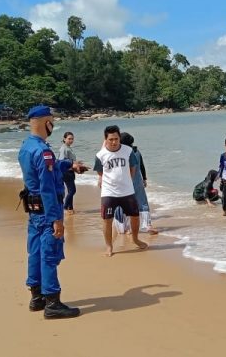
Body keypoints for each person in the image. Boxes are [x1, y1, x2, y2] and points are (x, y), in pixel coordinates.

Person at [18, 105, 85, 319]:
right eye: (52, 122)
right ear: (46, 122)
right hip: (48, 210)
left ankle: (36, 297)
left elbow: (51, 167)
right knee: (49, 254)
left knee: (35, 252)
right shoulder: (43, 151)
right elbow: (47, 188)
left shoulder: (27, 146)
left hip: (34, 210)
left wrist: (69, 165)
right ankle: (53, 303)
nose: (53, 125)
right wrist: (56, 219)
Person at [94, 125, 148, 256]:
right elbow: (100, 172)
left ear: (119, 138)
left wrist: (126, 181)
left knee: (135, 216)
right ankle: (109, 246)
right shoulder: (100, 155)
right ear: (105, 139)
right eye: (111, 139)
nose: (114, 142)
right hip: (109, 193)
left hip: (127, 191)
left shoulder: (128, 151)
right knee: (107, 219)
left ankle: (135, 239)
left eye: (116, 139)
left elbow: (133, 167)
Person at [121, 132, 158, 235]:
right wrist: (144, 178)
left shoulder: (123, 154)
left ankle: (127, 228)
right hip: (138, 181)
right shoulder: (137, 152)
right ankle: (148, 225)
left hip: (126, 183)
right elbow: (142, 166)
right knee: (143, 203)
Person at [57, 131, 79, 214]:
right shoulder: (64, 148)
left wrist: (77, 164)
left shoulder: (68, 147)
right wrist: (73, 164)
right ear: (64, 139)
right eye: (69, 139)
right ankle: (65, 207)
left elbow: (70, 160)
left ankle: (70, 208)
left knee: (70, 190)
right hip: (66, 172)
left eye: (72, 139)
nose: (71, 140)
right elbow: (62, 161)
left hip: (70, 171)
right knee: (73, 191)